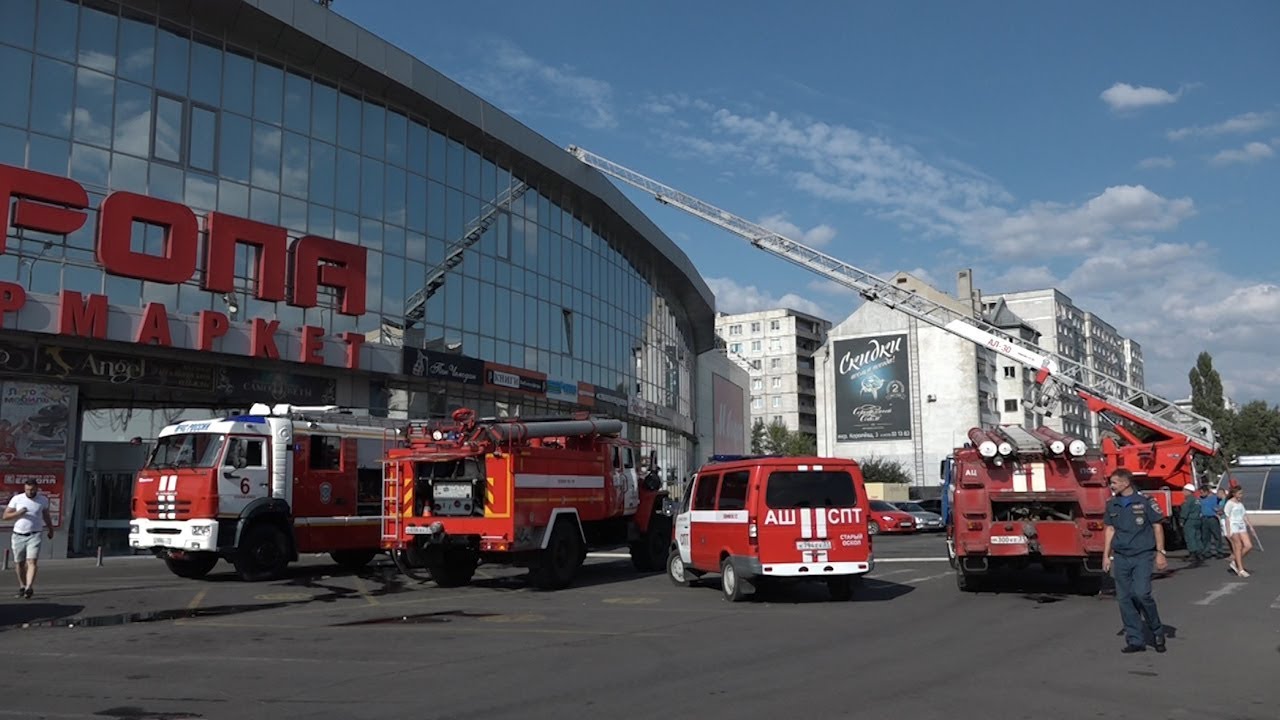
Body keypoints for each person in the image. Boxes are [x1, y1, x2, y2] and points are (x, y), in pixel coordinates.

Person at [1102, 468, 1167, 654]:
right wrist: (1106, 555)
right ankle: (1135, 640)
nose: (1111, 486)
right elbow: (1110, 530)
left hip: (1142, 555)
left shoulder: (1145, 502)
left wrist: (1160, 552)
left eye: (1114, 482)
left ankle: (1157, 631)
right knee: (1125, 599)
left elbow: (1157, 526)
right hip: (1121, 556)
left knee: (1141, 593)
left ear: (1125, 483)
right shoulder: (1112, 504)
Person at [3, 478, 55, 599]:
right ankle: (22, 586)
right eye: (27, 489)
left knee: (32, 561)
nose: (29, 492)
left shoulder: (42, 500)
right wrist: (18, 513)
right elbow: (5, 516)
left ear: (36, 488)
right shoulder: (17, 499)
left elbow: (46, 515)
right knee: (19, 563)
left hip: (35, 534)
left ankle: (29, 587)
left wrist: (50, 529)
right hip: (18, 535)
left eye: (32, 490)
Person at [1223, 485, 1254, 577]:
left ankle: (1235, 561)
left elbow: (1244, 515)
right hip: (1233, 525)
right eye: (1239, 493)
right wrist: (1228, 531)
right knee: (1238, 546)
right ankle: (1240, 569)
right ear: (1234, 494)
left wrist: (1250, 526)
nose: (1241, 495)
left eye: (1242, 493)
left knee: (1248, 546)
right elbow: (1227, 518)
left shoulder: (1240, 503)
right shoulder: (1229, 503)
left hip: (1241, 525)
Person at [1178, 483, 1203, 562]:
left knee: (1190, 537)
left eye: (1184, 490)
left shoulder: (1188, 500)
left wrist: (1182, 520)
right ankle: (1199, 553)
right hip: (1197, 520)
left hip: (1190, 521)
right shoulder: (1197, 499)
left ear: (1188, 491)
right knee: (1197, 536)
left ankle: (1193, 553)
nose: (1183, 492)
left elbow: (1185, 511)